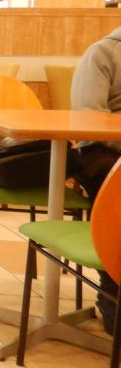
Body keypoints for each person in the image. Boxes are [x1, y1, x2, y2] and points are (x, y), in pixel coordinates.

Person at [71, 25, 121, 333]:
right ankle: (112, 292)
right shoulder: (103, 53)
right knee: (114, 187)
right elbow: (88, 119)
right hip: (101, 150)